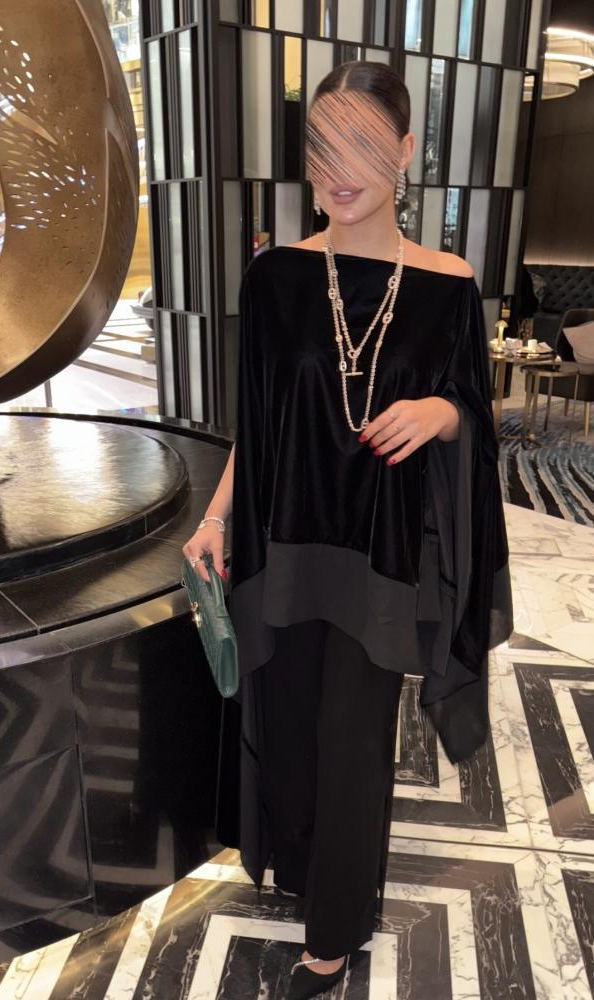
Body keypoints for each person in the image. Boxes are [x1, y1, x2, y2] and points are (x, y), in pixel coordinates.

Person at [182, 60, 514, 1000]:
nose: (338, 168)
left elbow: (473, 414)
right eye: (323, 145)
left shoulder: (448, 285)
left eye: (363, 144)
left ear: (405, 151)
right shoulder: (277, 277)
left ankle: (331, 934)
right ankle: (299, 866)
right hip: (284, 545)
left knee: (353, 741)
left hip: (381, 557)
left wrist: (440, 415)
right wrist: (214, 517)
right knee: (288, 731)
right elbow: (260, 425)